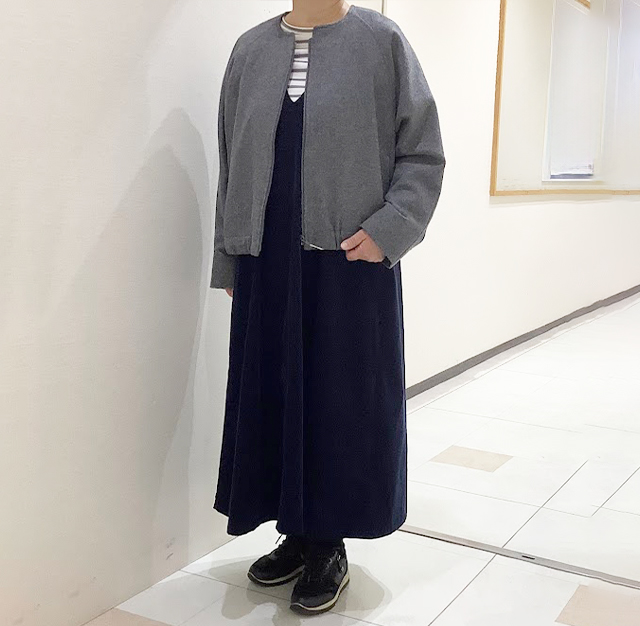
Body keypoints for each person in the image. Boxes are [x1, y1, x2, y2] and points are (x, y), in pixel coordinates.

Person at [210, 0, 446, 615]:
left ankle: (329, 542)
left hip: (348, 261)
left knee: (343, 401)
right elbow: (231, 161)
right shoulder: (250, 50)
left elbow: (423, 153)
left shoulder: (382, 41)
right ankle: (295, 532)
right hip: (266, 260)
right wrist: (231, 255)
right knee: (274, 393)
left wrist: (392, 229)